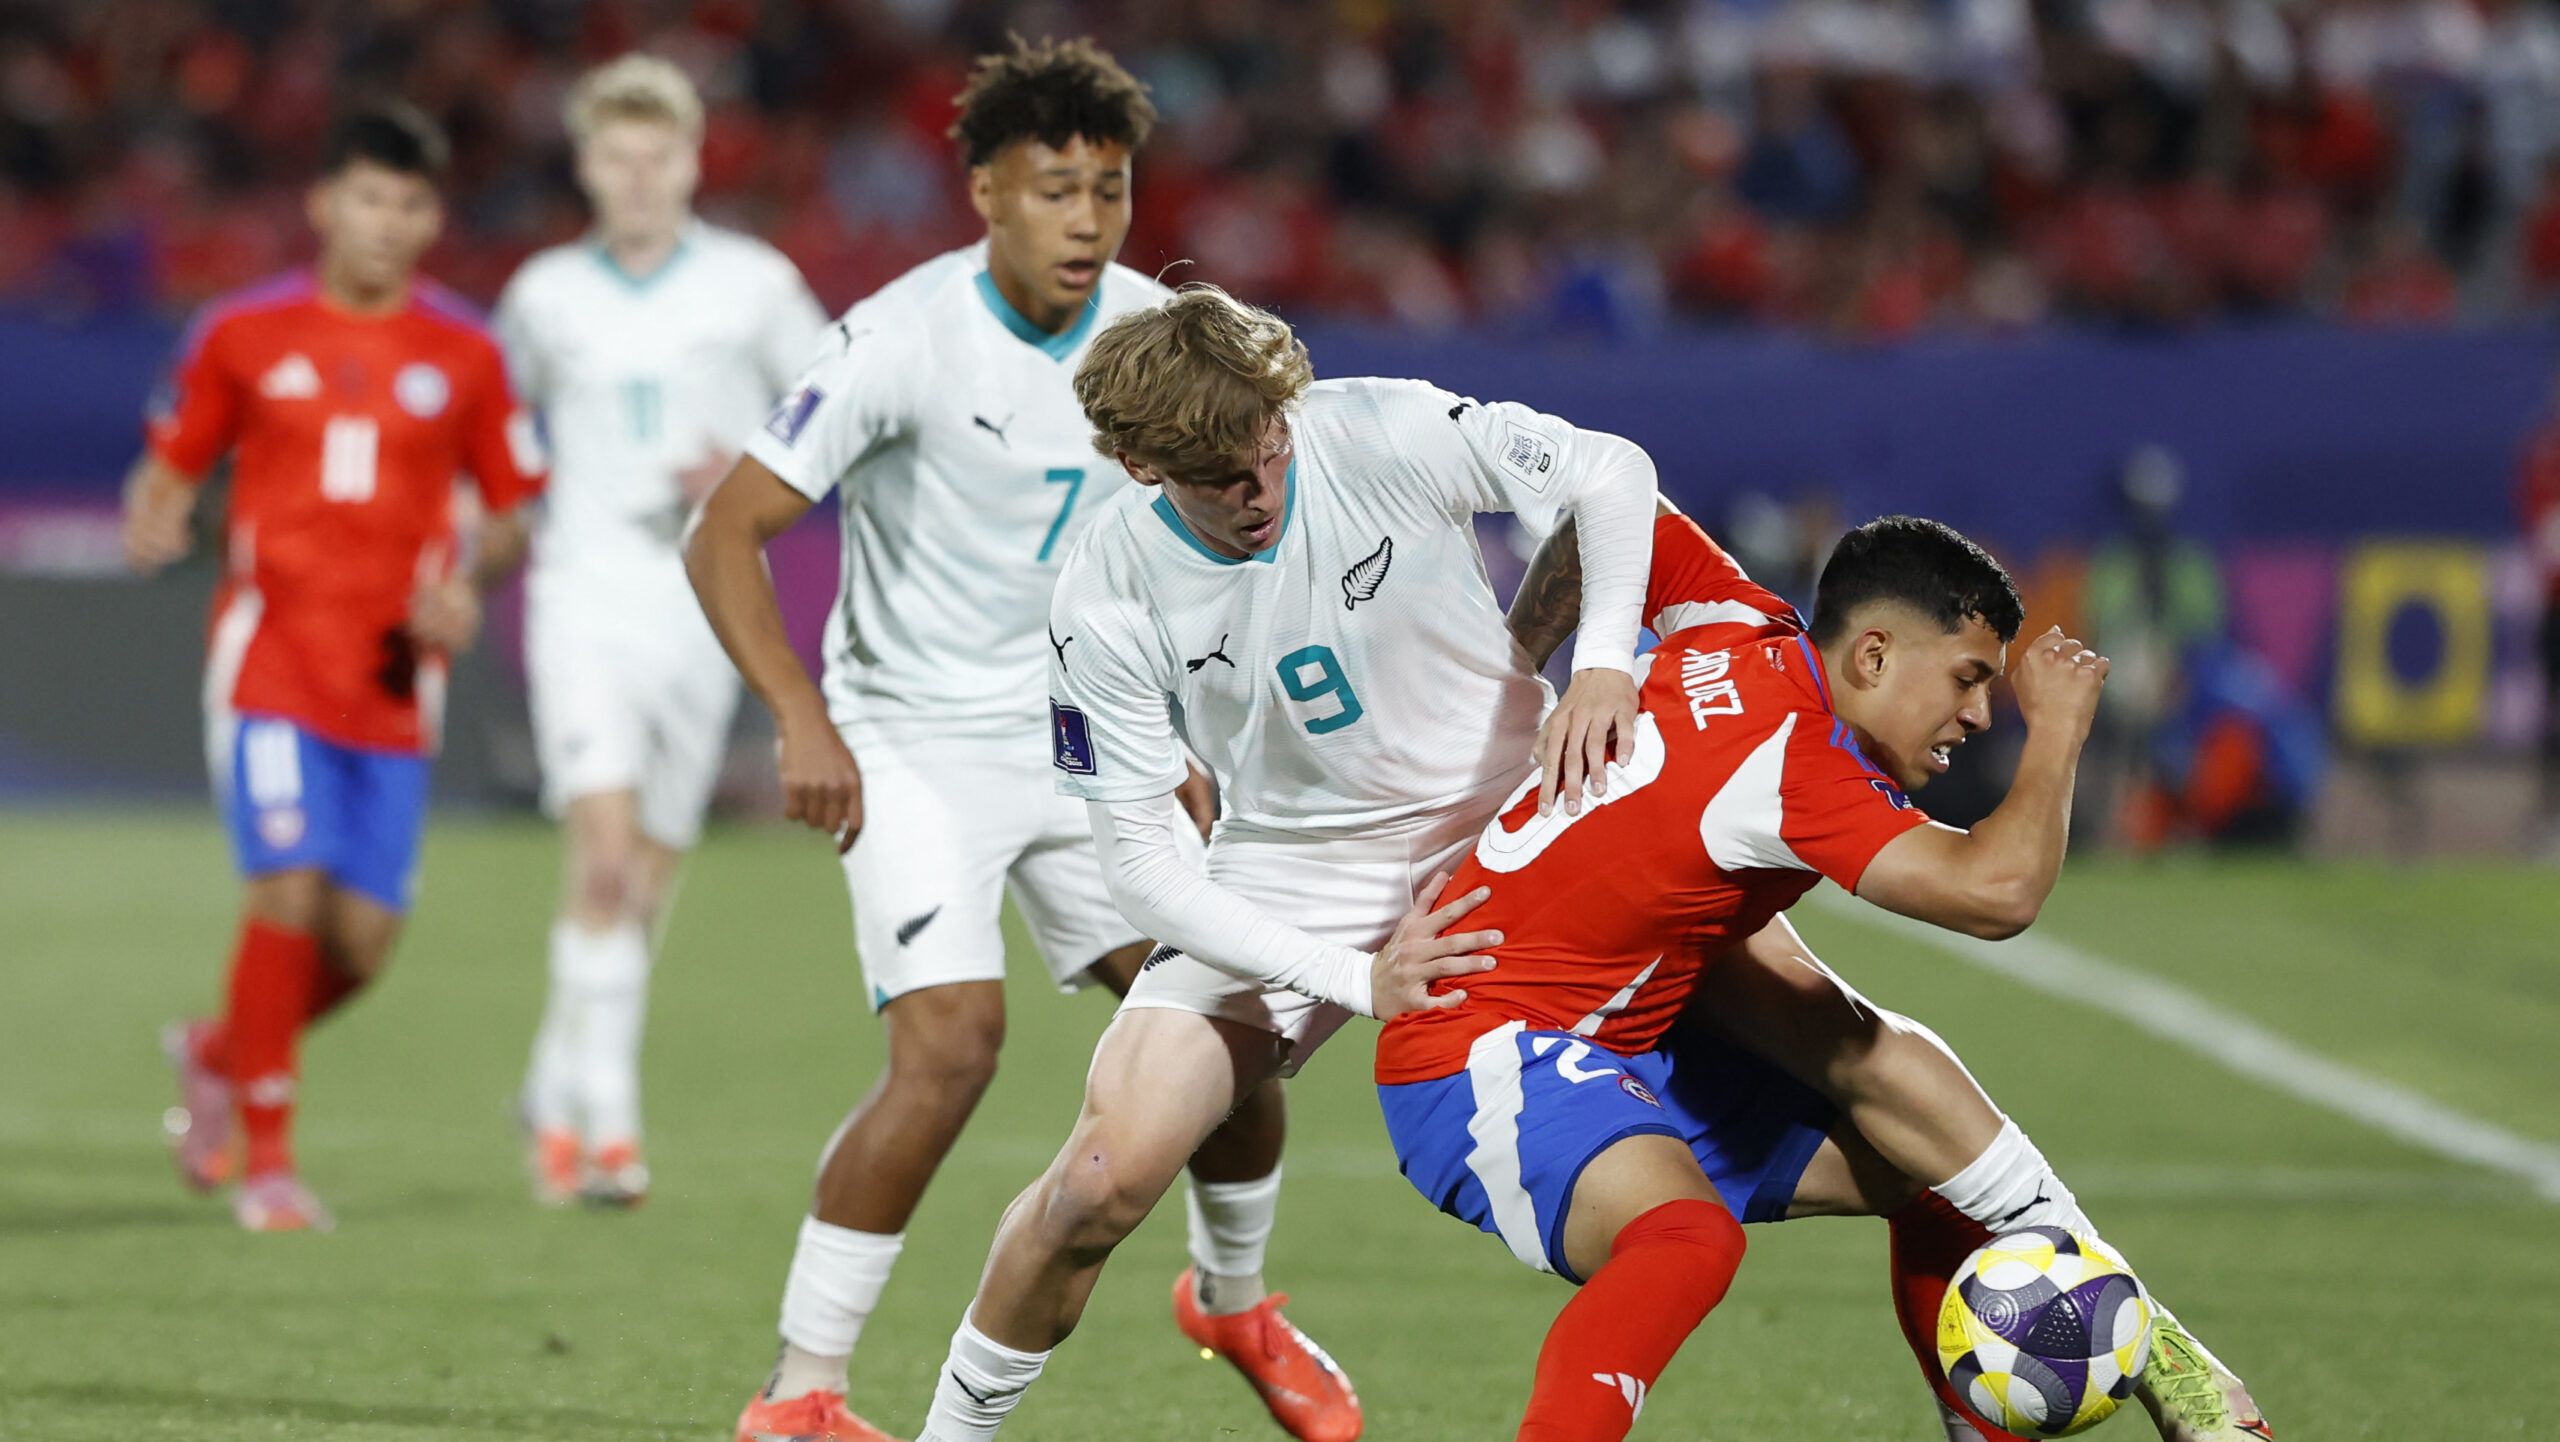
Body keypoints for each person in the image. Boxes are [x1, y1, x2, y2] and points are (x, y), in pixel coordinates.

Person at [683, 39, 1329, 1442]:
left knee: (1231, 1039)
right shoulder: (897, 336)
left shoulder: (1167, 339)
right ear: (984, 192)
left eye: (1111, 188)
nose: (1089, 218)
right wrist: (799, 714)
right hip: (914, 737)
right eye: (1056, 189)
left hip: (1093, 736)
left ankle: (1234, 1298)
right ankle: (798, 1393)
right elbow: (726, 527)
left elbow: (1242, 546)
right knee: (953, 1045)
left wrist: (1198, 731)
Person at [909, 283, 1658, 1442]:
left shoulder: (1379, 426)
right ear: (1134, 460)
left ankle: (1990, 1198)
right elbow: (1148, 876)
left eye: (1266, 449)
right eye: (1220, 477)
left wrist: (1601, 659)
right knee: (1097, 1178)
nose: (1260, 489)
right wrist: (1355, 977)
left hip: (1522, 809)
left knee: (1792, 1017)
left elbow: (1606, 469)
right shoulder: (1103, 595)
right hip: (1299, 863)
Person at [1376, 509, 2272, 1442]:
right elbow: (1998, 893)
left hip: (1610, 1025)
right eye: (1967, 679)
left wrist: (1515, 670)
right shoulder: (1792, 763)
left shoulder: (1732, 620)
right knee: (1687, 1235)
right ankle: (2168, 1357)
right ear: (1874, 657)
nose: (1977, 713)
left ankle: (2150, 1354)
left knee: (1923, 1163)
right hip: (1480, 1053)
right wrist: (2058, 735)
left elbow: (1612, 516)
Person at [127, 104, 545, 1233]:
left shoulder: (467, 350)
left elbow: (513, 510)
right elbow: (167, 467)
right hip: (268, 661)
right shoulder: (240, 333)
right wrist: (157, 516)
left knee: (360, 946)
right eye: (368, 196)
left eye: (410, 203)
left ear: (432, 217)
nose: (387, 221)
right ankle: (267, 1160)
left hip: (397, 681)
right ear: (323, 204)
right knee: (287, 885)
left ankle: (217, 1050)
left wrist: (471, 580)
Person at [493, 54, 826, 1207]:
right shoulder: (543, 294)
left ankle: (552, 1082)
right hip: (582, 589)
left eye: (658, 155)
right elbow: (502, 427)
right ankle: (608, 1131)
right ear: (586, 164)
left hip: (705, 602)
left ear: (691, 161)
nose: (636, 177)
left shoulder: (753, 284)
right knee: (597, 856)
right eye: (615, 156)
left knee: (642, 876)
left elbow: (831, 415)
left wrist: (745, 471)